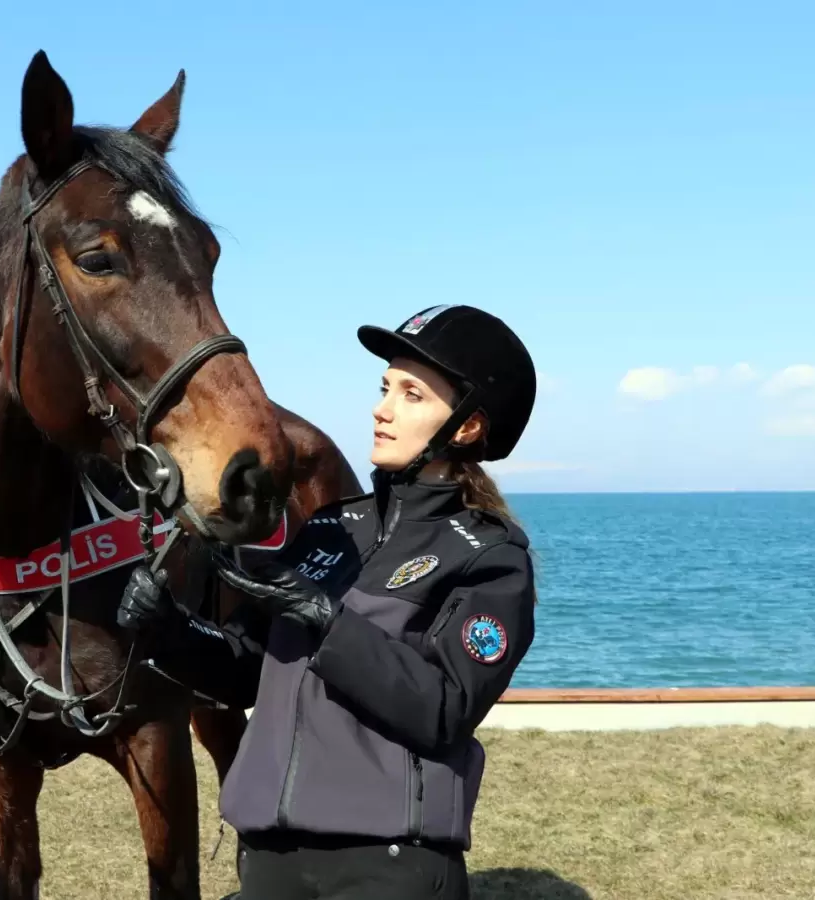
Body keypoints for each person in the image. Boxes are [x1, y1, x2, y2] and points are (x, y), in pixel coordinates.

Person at [118, 304, 539, 900]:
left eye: (412, 395)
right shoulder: (330, 529)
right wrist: (169, 632)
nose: (382, 408)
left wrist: (324, 620)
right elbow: (245, 672)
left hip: (386, 868)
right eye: (385, 387)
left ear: (467, 428)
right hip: (269, 860)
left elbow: (444, 708)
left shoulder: (489, 557)